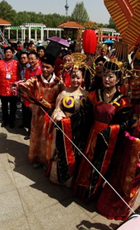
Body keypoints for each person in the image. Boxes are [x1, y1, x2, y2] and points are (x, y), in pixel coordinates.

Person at [97, 72, 140, 220]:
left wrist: (133, 141)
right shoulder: (136, 108)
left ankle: (120, 210)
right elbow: (126, 125)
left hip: (139, 158)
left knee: (128, 186)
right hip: (124, 152)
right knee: (116, 179)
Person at [72, 58, 132, 202]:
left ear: (118, 80)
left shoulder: (122, 100)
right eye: (105, 75)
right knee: (87, 161)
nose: (107, 79)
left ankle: (95, 193)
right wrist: (69, 121)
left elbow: (125, 124)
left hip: (109, 139)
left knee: (101, 164)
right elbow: (84, 114)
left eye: (111, 76)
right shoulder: (95, 94)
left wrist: (110, 130)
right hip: (92, 134)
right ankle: (82, 189)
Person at [19, 54, 64, 168]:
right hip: (38, 113)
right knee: (37, 136)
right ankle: (36, 158)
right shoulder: (35, 80)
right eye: (43, 66)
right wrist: (18, 85)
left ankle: (47, 160)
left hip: (51, 114)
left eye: (48, 67)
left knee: (49, 137)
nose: (45, 69)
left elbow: (62, 98)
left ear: (53, 68)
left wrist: (53, 106)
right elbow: (25, 87)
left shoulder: (59, 82)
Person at [50, 59, 88, 187]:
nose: (75, 80)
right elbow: (57, 110)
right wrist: (61, 118)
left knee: (76, 155)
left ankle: (71, 181)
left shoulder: (86, 95)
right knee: (61, 154)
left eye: (78, 78)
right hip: (65, 128)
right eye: (73, 77)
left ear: (82, 79)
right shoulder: (63, 93)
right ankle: (57, 177)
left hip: (80, 130)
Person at [0, 47, 20, 128]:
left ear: (12, 53)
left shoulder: (16, 63)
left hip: (13, 89)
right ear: (4, 54)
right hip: (3, 88)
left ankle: (12, 120)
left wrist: (18, 87)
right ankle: (5, 120)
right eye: (6, 52)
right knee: (4, 106)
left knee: (13, 106)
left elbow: (19, 76)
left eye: (10, 52)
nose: (8, 54)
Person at [22, 51, 42, 139]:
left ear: (37, 59)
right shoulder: (27, 70)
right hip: (29, 96)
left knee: (37, 117)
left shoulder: (41, 70)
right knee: (29, 116)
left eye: (32, 59)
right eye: (29, 59)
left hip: (38, 97)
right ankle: (30, 132)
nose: (30, 61)